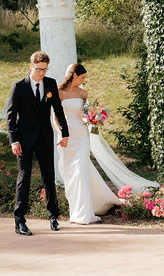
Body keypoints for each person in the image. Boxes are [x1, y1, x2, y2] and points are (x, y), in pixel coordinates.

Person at [7, 51, 69, 236]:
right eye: (38, 69)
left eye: (44, 69)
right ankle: (20, 221)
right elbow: (11, 116)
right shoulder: (18, 86)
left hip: (44, 137)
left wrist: (65, 133)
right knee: (24, 178)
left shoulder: (50, 84)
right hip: (23, 140)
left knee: (49, 176)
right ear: (31, 66)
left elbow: (58, 109)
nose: (41, 73)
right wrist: (14, 141)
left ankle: (53, 217)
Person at [56, 63, 123, 224]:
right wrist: (61, 135)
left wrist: (93, 119)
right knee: (70, 174)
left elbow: (86, 114)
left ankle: (85, 214)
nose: (84, 80)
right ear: (74, 76)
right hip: (66, 138)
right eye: (82, 77)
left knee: (80, 172)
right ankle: (75, 211)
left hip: (81, 136)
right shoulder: (59, 93)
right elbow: (55, 117)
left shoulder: (83, 93)